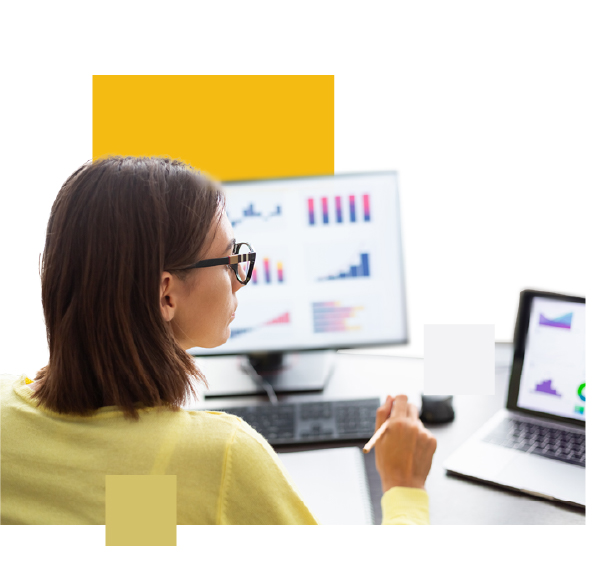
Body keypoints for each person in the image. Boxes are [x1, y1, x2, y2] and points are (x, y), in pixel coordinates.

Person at [0, 156, 437, 525]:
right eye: (229, 260)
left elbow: (119, 522)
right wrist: (403, 488)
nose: (239, 280)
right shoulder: (220, 460)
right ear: (166, 293)